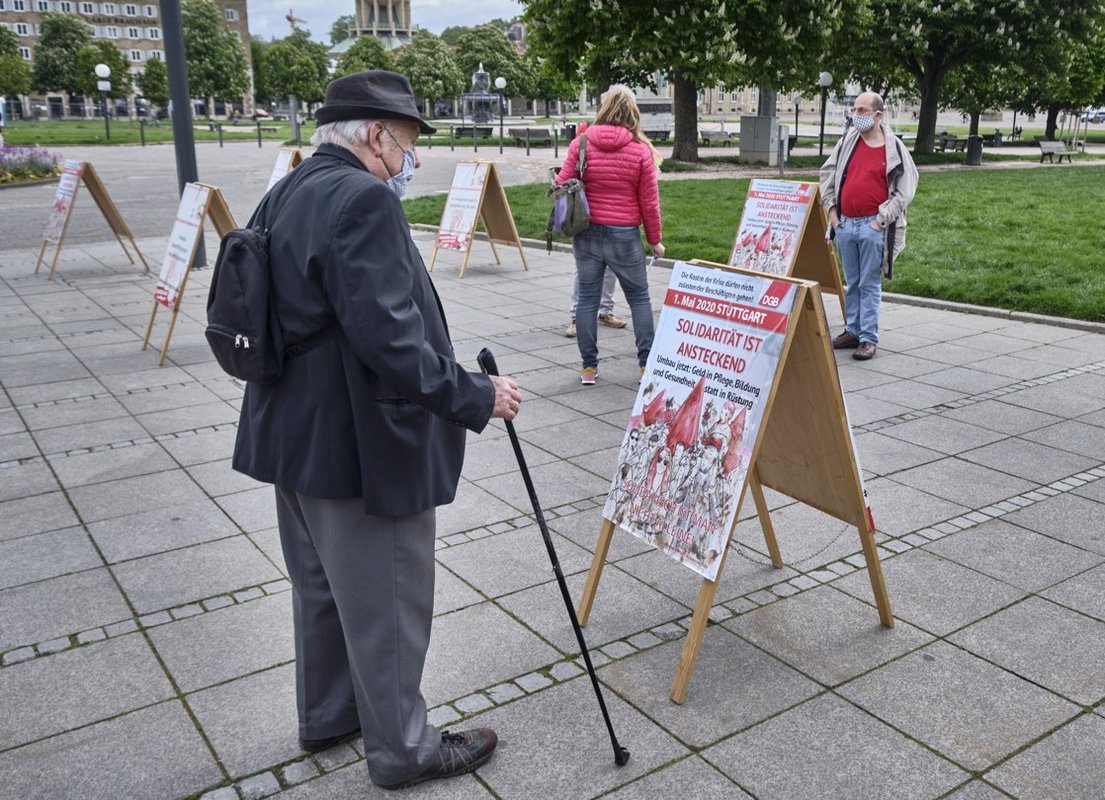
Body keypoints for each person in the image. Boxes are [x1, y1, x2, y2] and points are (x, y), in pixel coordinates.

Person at [231, 71, 522, 791]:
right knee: (387, 602)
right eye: (407, 141)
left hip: (293, 432)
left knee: (324, 590)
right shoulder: (361, 198)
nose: (409, 156)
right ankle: (404, 751)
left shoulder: (291, 187)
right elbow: (389, 340)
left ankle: (329, 714)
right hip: (357, 439)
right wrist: (476, 394)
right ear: (374, 134)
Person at [556, 85, 664, 385]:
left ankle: (589, 368)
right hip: (624, 235)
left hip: (587, 233)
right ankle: (645, 366)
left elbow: (563, 182)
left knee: (587, 300)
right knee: (639, 298)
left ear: (603, 110)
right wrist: (655, 240)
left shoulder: (582, 144)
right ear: (633, 112)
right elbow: (649, 203)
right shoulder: (641, 150)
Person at [820, 91, 918, 361]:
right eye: (855, 109)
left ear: (878, 115)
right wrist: (832, 213)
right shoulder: (848, 142)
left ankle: (868, 338)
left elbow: (904, 191)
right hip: (846, 225)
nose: (856, 115)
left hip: (873, 227)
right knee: (852, 283)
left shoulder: (893, 148)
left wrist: (880, 220)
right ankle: (852, 330)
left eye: (862, 110)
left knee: (869, 284)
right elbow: (827, 173)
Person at [565, 120, 626, 338]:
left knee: (609, 267)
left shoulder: (626, 141)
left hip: (614, 215)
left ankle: (604, 311)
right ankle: (576, 318)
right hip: (587, 216)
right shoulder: (585, 138)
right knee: (583, 270)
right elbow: (566, 178)